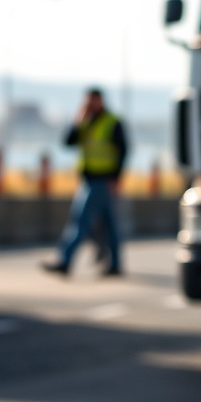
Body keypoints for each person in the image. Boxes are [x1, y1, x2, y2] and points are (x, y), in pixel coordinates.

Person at [43, 87, 127, 276]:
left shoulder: (112, 122)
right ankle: (115, 264)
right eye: (87, 101)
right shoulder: (85, 121)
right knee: (110, 224)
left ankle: (65, 260)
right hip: (89, 179)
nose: (90, 104)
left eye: (93, 100)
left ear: (100, 100)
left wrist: (115, 179)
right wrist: (77, 121)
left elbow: (123, 151)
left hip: (102, 181)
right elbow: (68, 142)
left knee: (79, 221)